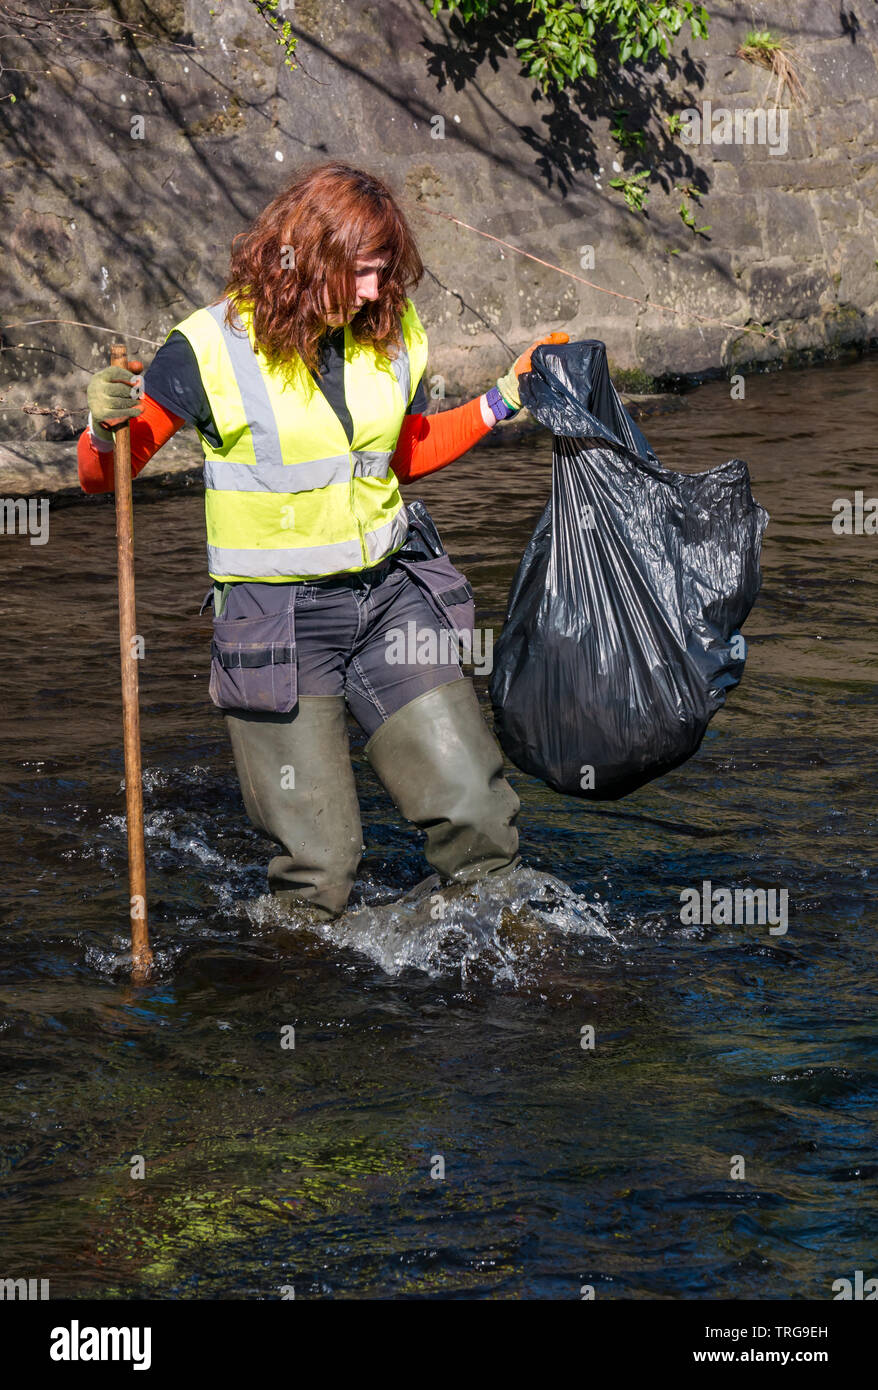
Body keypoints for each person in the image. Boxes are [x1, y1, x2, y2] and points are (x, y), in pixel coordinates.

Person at [78, 160, 568, 920]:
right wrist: (101, 425)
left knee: (477, 812)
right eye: (363, 272)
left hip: (390, 600)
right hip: (277, 626)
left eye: (385, 270)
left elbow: (398, 452)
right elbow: (107, 475)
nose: (378, 290)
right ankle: (300, 991)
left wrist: (502, 398)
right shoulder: (210, 347)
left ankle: (504, 974)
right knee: (322, 868)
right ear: (307, 259)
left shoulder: (394, 329)